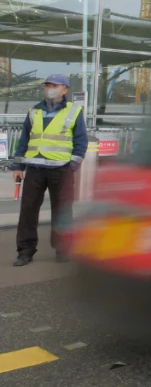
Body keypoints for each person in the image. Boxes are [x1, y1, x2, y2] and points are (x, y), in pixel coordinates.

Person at [12, 75, 87, 267]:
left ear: (65, 90)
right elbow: (24, 140)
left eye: (54, 85)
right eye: (47, 85)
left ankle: (62, 249)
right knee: (28, 211)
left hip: (61, 170)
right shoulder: (34, 111)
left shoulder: (74, 111)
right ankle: (25, 251)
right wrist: (19, 166)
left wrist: (72, 167)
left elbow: (81, 143)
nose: (49, 88)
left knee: (62, 211)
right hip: (35, 169)